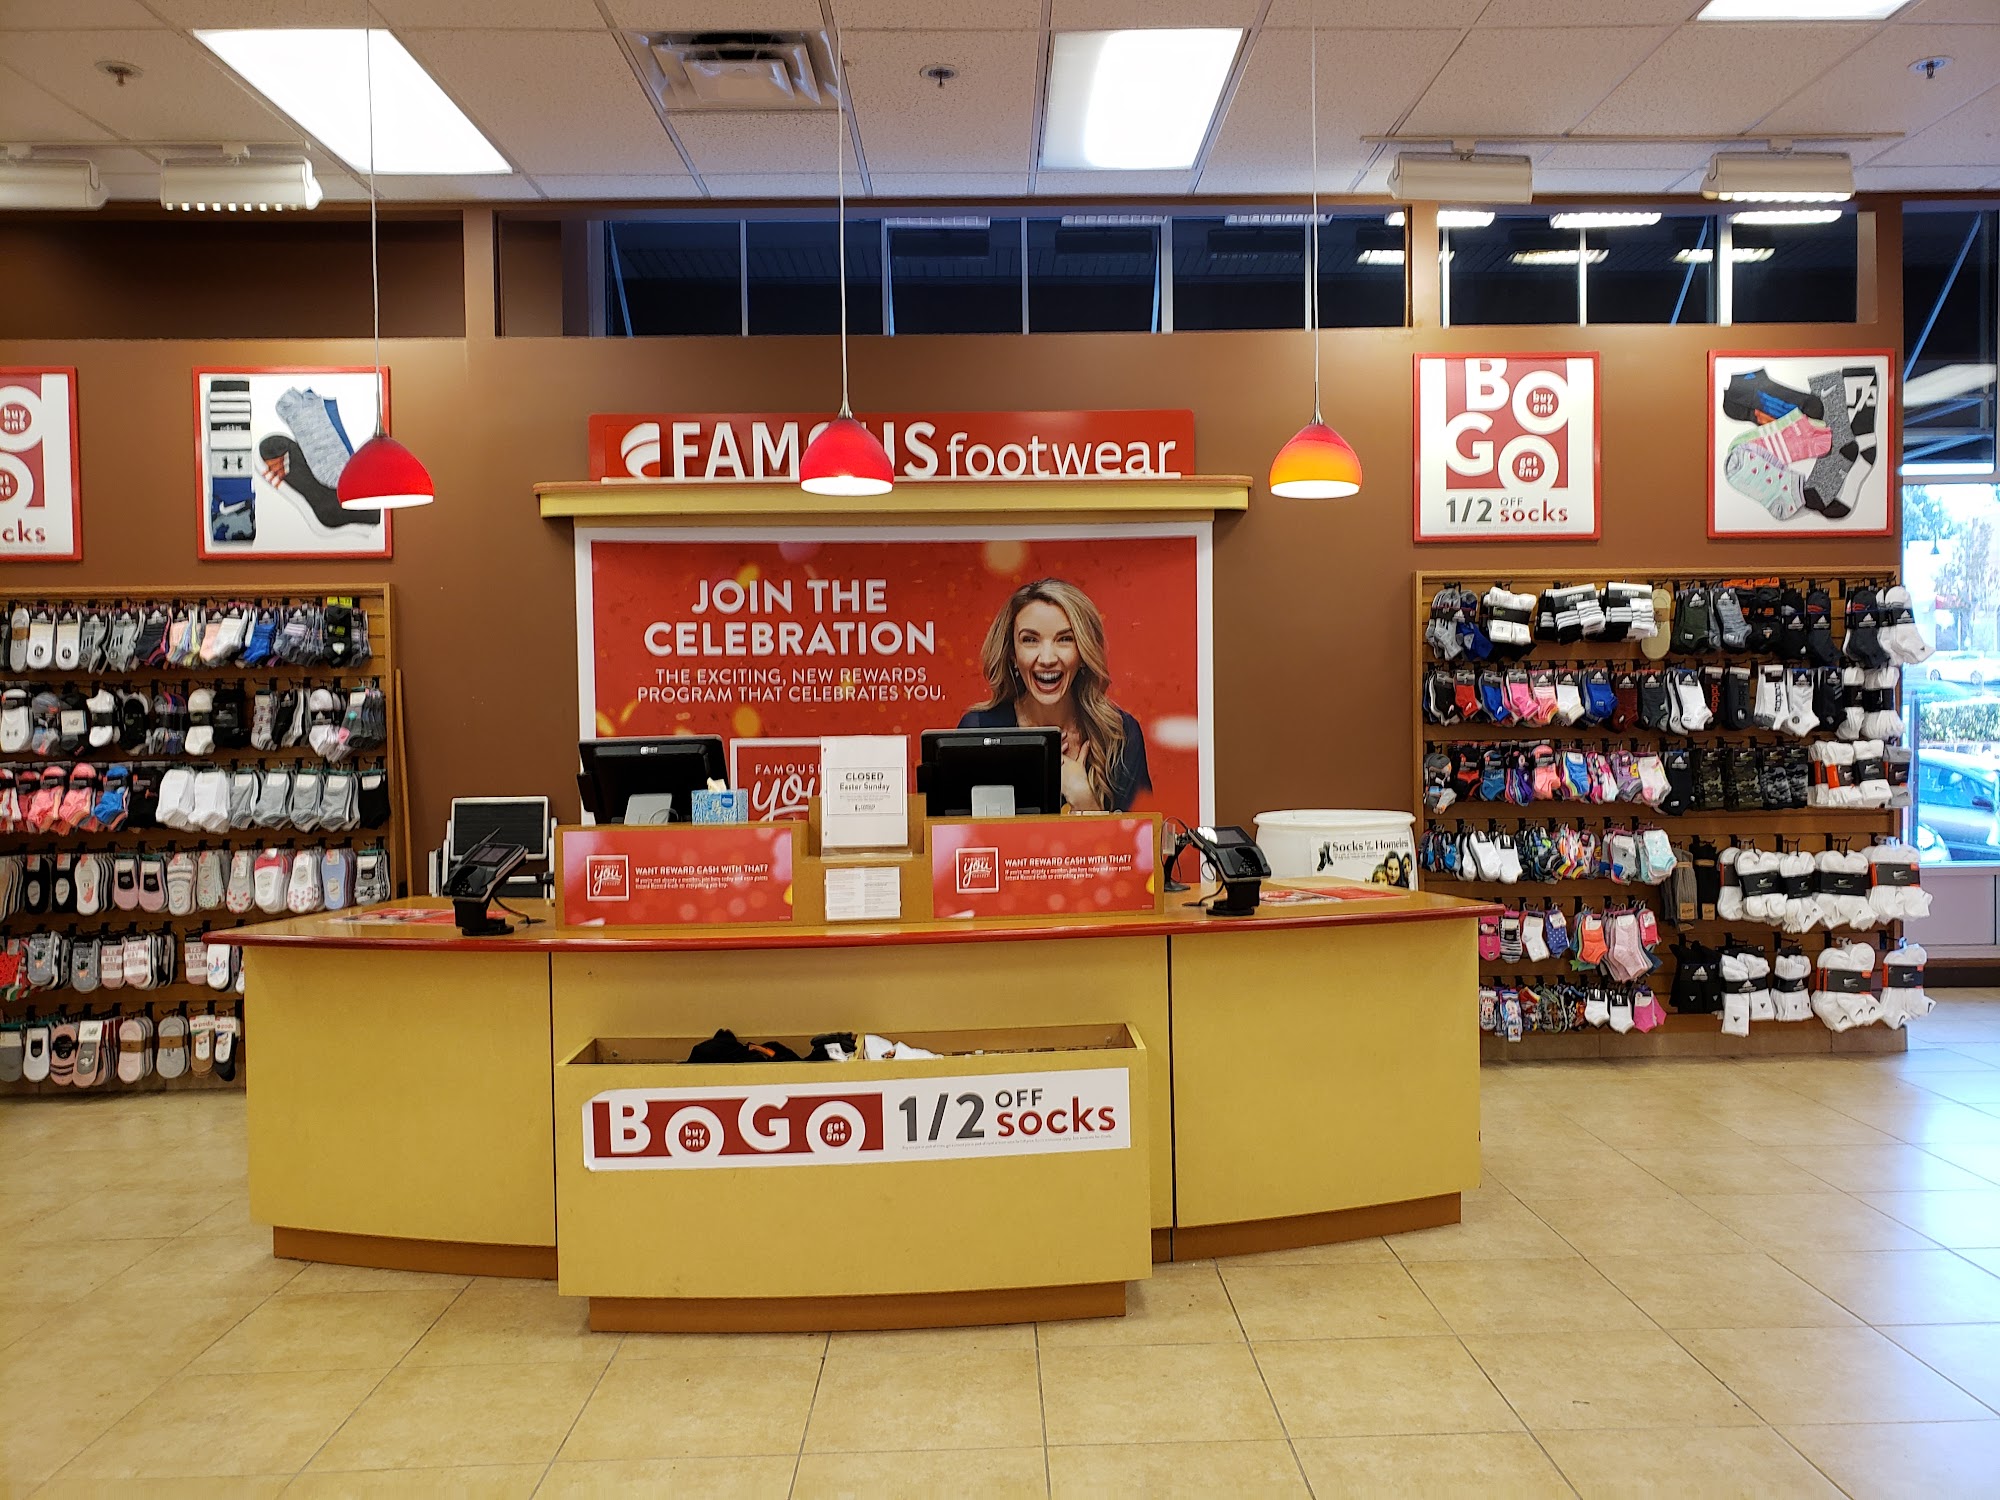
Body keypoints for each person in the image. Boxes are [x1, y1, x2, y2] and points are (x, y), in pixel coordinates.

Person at [960, 579, 1151, 813]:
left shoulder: (1119, 734)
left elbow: (1141, 836)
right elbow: (955, 832)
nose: (1047, 659)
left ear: (1083, 653)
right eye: (1030, 640)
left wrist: (1084, 799)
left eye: (1064, 639)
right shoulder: (980, 730)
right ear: (1012, 654)